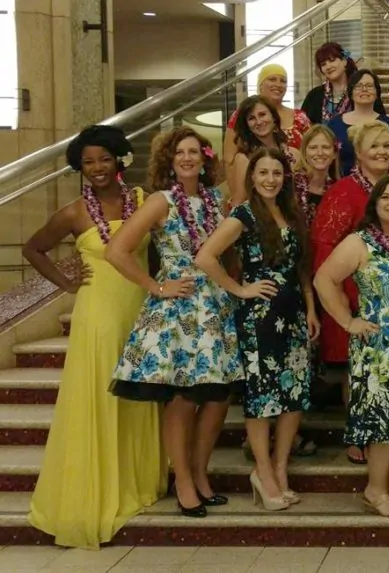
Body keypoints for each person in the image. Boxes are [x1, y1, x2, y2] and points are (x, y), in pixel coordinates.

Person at [24, 125, 165, 548]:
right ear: (79, 168)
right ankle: (98, 485)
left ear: (120, 158)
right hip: (98, 313)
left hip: (141, 309)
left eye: (104, 158)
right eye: (88, 162)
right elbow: (32, 248)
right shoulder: (72, 212)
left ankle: (138, 478)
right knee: (103, 395)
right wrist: (66, 284)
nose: (97, 168)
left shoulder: (143, 200)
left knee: (138, 394)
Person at [106, 127, 244, 518]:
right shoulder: (160, 201)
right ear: (169, 159)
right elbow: (116, 250)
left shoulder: (216, 203)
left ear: (204, 158)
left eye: (193, 152)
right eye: (179, 153)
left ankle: (201, 474)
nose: (187, 158)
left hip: (215, 307)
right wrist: (156, 285)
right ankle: (182, 480)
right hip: (178, 311)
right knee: (184, 399)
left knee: (217, 398)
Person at [196, 147, 318, 511]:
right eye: (263, 173)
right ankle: (262, 472)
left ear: (285, 177)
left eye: (276, 173)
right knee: (263, 398)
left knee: (293, 395)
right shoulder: (244, 214)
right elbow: (205, 257)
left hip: (294, 314)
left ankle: (280, 469)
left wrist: (311, 309)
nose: (270, 179)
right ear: (252, 177)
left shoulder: (293, 213)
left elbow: (301, 268)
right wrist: (241, 289)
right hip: (258, 319)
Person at [314, 175, 389, 518]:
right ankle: (375, 488)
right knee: (385, 422)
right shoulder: (361, 242)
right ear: (375, 203)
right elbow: (323, 278)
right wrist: (347, 321)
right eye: (386, 197)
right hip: (381, 349)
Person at [311, 120, 389, 465]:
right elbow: (325, 248)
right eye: (374, 145)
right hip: (356, 297)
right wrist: (344, 306)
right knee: (358, 372)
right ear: (358, 152)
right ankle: (361, 433)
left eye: (387, 146)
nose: (383, 152)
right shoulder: (342, 192)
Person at [325, 69, 389, 177]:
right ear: (351, 92)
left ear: (377, 92)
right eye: (358, 86)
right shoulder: (335, 124)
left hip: (380, 189)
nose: (364, 89)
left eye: (369, 86)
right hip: (343, 187)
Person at [224, 64, 312, 162]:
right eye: (272, 79)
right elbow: (229, 159)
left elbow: (312, 152)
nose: (278, 84)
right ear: (260, 85)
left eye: (283, 81)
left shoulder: (300, 117)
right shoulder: (242, 113)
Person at [227, 95, 296, 205]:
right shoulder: (244, 159)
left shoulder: (292, 153)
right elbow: (238, 203)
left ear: (273, 116)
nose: (258, 122)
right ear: (247, 125)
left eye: (262, 115)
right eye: (251, 118)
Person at [301, 42, 359, 125]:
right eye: (323, 64)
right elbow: (303, 126)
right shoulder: (314, 95)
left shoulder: (361, 90)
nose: (328, 66)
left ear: (344, 61)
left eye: (332, 60)